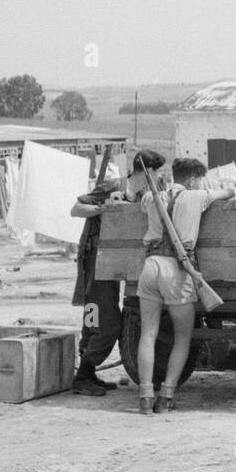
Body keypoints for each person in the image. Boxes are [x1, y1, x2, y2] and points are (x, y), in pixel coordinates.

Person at [135, 157, 235, 414]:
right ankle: (166, 395)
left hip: (150, 265)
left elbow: (141, 200)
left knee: (148, 334)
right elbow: (231, 192)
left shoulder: (150, 197)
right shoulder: (197, 196)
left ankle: (145, 396)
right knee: (182, 337)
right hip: (177, 269)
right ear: (192, 179)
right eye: (199, 179)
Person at [69, 148, 162, 396]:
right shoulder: (113, 185)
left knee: (94, 316)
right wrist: (104, 207)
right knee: (105, 320)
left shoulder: (142, 193)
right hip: (96, 261)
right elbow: (76, 209)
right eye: (158, 172)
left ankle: (87, 373)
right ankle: (83, 375)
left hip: (118, 260)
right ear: (149, 171)